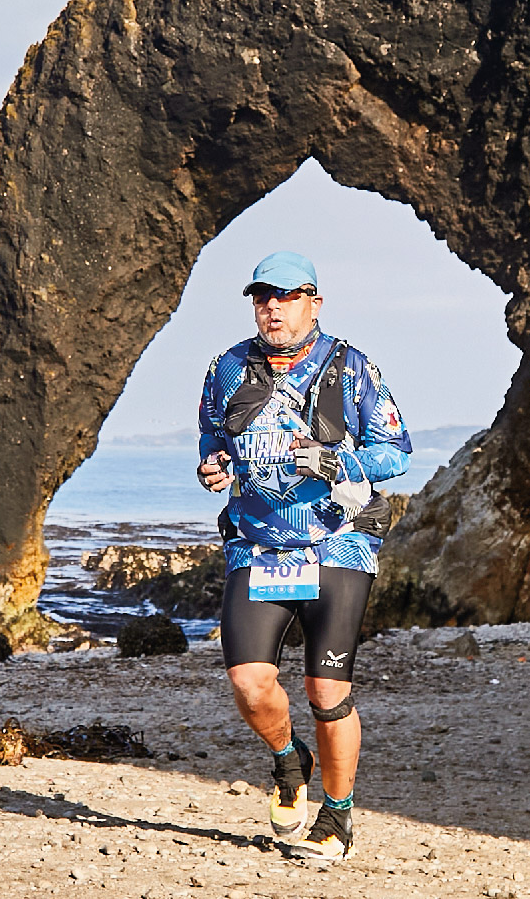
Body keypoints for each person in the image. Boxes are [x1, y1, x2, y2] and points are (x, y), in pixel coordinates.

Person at [196, 251, 411, 861]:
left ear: (314, 303)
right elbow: (214, 441)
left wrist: (335, 460)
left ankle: (337, 820)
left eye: (286, 297)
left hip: (338, 543)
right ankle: (291, 761)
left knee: (325, 689)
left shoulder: (351, 367)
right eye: (262, 297)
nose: (272, 308)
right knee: (250, 683)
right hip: (257, 546)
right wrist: (213, 468)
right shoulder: (227, 367)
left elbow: (397, 451)